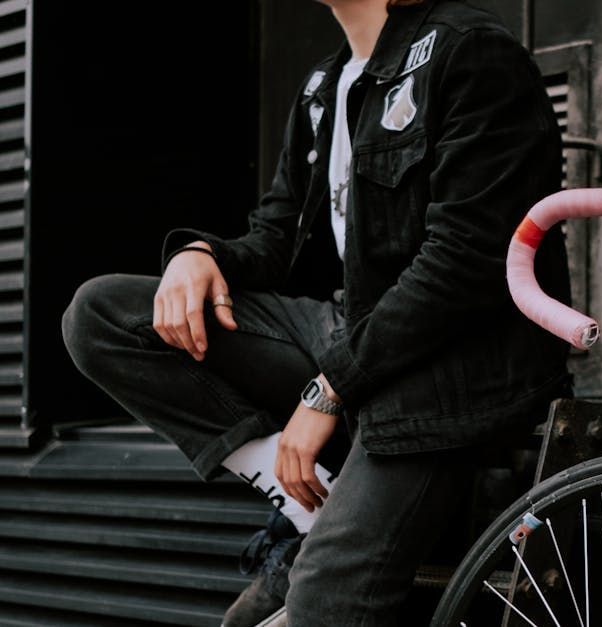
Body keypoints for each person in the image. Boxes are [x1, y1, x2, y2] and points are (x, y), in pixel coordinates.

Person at [60, 0, 571, 624]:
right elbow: (277, 238)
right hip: (350, 335)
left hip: (450, 380)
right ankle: (310, 506)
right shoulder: (323, 87)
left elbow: (468, 262)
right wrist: (201, 255)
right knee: (103, 316)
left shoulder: (469, 52)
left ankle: (326, 536)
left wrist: (329, 388)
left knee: (320, 608)